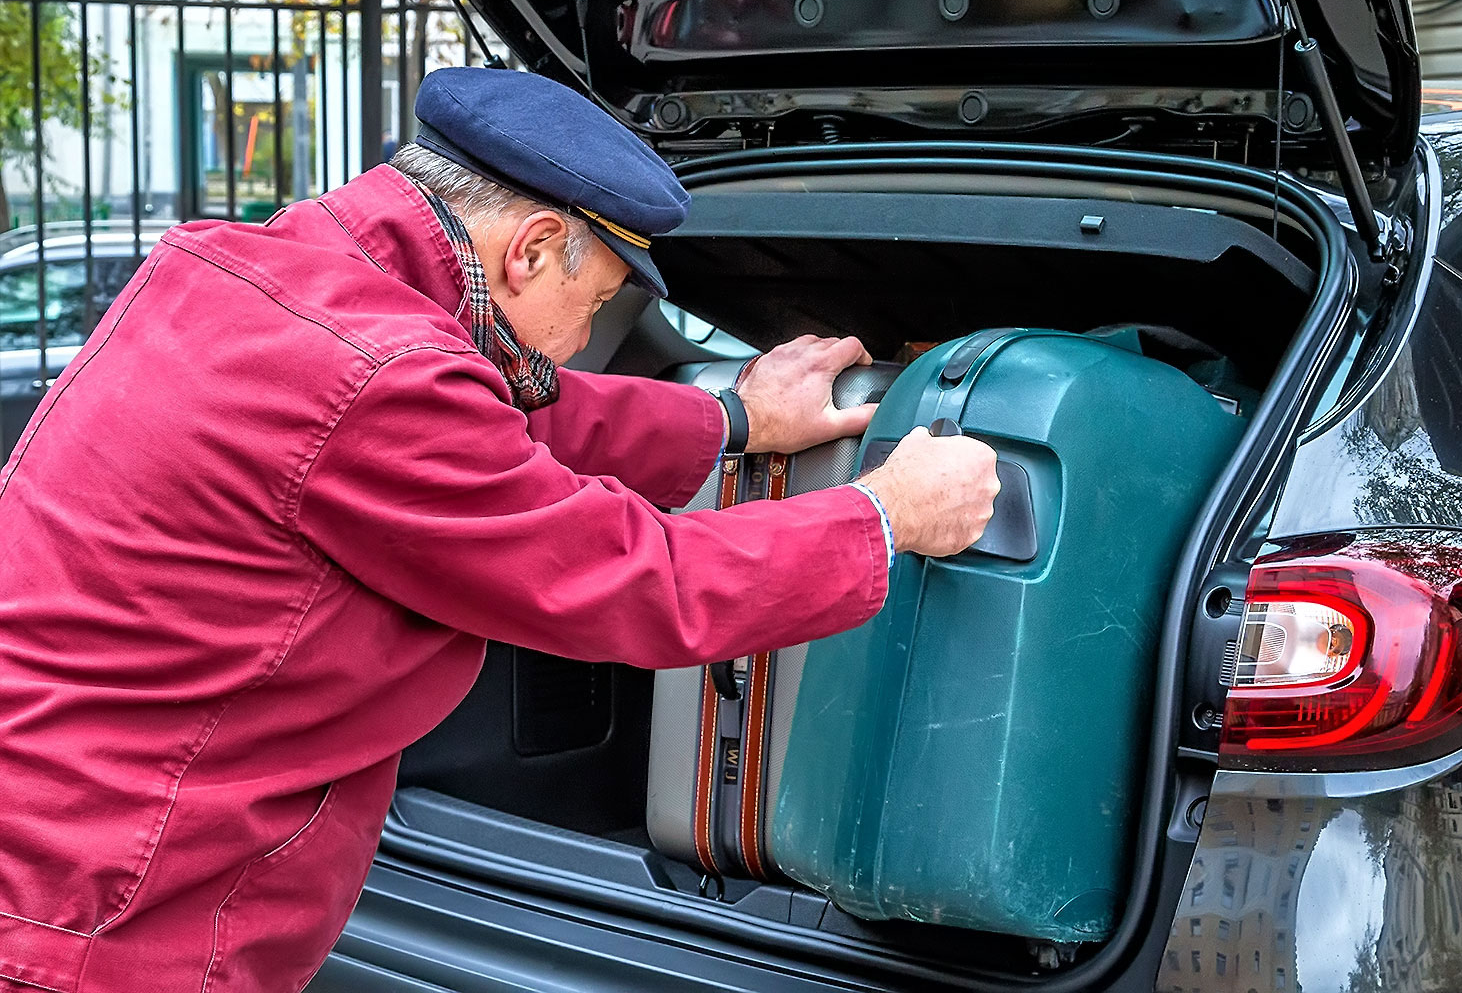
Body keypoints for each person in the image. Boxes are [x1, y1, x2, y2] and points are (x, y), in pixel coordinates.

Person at [0, 67, 998, 991]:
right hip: (102, 921)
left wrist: (734, 420)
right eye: (598, 301)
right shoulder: (380, 381)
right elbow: (640, 579)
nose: (577, 342)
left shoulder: (248, 272)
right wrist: (884, 515)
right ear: (527, 252)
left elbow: (500, 414)